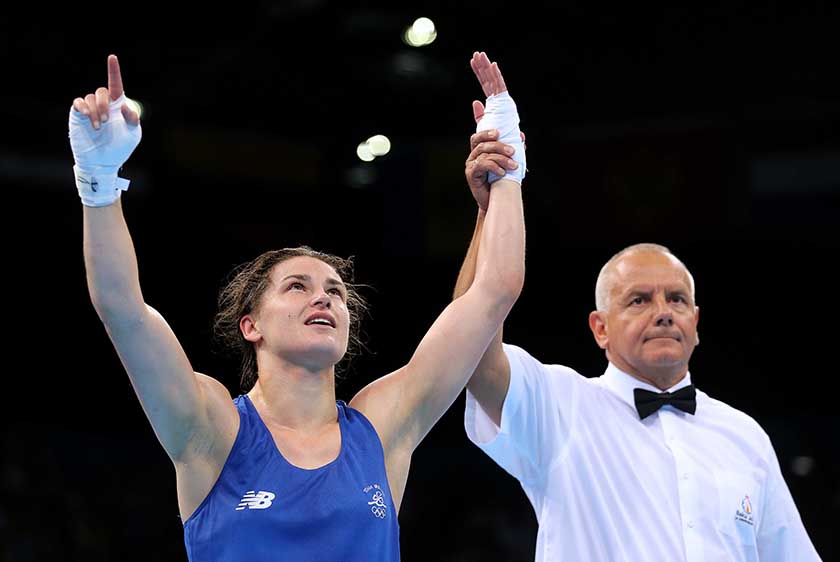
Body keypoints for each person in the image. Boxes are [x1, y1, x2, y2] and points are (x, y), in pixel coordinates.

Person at [69, 52, 525, 561]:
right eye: (297, 286)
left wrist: (508, 174)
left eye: (335, 290)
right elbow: (123, 310)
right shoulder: (211, 427)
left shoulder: (382, 427)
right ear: (251, 325)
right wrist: (99, 182)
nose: (324, 296)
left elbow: (494, 293)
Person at [455, 148, 823, 559]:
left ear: (696, 323)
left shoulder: (745, 436)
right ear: (600, 328)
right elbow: (473, 350)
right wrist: (491, 211)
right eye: (639, 300)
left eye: (677, 299)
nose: (664, 313)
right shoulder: (560, 406)